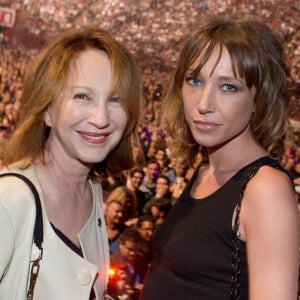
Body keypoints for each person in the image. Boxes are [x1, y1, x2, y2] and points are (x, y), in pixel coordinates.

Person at [141, 17, 299, 300]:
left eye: (228, 87)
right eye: (195, 81)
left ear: (257, 100)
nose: (203, 104)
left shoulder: (265, 189)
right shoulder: (205, 169)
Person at [0, 25, 142, 300]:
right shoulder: (9, 202)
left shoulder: (92, 191)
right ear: (46, 110)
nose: (101, 118)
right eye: (82, 96)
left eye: (115, 99)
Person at [107, 228, 149, 300]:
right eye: (129, 249)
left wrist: (144, 288)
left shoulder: (142, 261)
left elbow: (147, 282)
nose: (133, 253)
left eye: (136, 250)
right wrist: (121, 292)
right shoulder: (110, 262)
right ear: (120, 244)